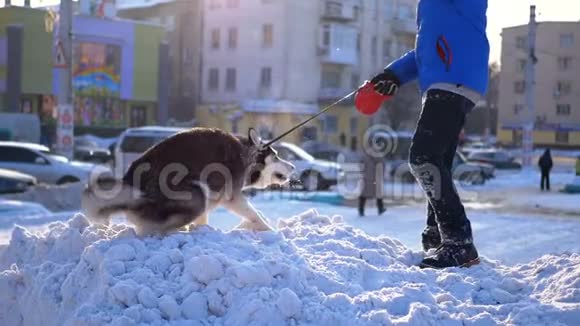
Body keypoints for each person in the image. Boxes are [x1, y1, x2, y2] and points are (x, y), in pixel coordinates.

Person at [368, 0, 489, 268]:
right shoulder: (430, 7)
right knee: (437, 161)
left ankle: (459, 243)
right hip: (445, 80)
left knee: (423, 157)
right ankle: (437, 236)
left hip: (454, 76)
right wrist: (393, 75)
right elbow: (425, 51)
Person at [359, 150, 386, 217]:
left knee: (364, 194)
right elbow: (383, 167)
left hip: (368, 178)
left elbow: (362, 167)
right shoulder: (380, 157)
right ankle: (380, 208)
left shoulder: (365, 157)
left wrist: (364, 174)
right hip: (376, 178)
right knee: (378, 194)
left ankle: (361, 209)